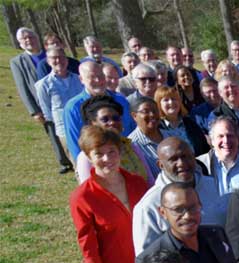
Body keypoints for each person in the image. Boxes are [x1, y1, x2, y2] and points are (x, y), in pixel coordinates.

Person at [69, 126, 149, 263]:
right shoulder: (82, 197)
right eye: (99, 154)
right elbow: (87, 242)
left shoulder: (138, 183)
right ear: (88, 157)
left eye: (112, 151)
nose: (107, 159)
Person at [14, 31, 75, 174]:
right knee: (55, 132)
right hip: (47, 102)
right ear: (20, 42)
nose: (29, 40)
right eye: (24, 38)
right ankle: (65, 161)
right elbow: (22, 87)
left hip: (63, 97)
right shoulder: (18, 62)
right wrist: (34, 110)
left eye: (31, 37)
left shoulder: (49, 55)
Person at [64, 61, 136, 160]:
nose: (98, 80)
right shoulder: (73, 108)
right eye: (91, 77)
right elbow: (75, 145)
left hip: (128, 156)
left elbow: (132, 129)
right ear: (81, 79)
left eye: (100, 75)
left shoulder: (120, 100)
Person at [74, 95, 153, 183]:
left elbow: (149, 179)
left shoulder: (131, 146)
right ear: (92, 123)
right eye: (105, 119)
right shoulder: (86, 156)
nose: (112, 122)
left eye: (116, 118)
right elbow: (88, 190)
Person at [127, 96, 169, 179]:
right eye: (146, 111)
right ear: (134, 116)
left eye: (155, 111)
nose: (152, 115)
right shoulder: (131, 145)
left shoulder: (171, 136)